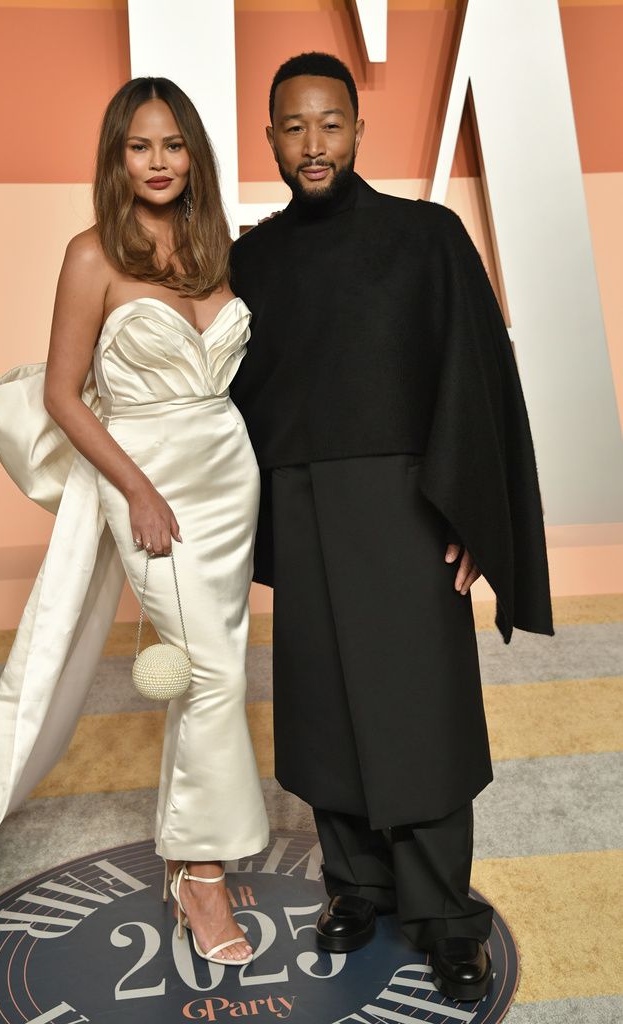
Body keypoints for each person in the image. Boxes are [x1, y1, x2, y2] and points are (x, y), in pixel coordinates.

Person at [229, 52, 553, 1001]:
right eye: (293, 127)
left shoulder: (427, 236)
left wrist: (471, 514)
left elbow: (476, 376)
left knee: (420, 713)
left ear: (358, 130)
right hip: (300, 506)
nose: (313, 144)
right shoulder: (256, 258)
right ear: (271, 138)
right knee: (325, 707)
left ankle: (446, 917)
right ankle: (354, 885)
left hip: (408, 507)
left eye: (330, 124)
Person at [0, 77, 268, 966]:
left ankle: (189, 854)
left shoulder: (216, 246)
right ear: (116, 158)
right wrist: (137, 490)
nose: (158, 163)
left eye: (172, 145)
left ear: (192, 152)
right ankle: (202, 880)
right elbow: (60, 392)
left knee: (217, 667)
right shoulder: (92, 254)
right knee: (208, 677)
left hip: (229, 479)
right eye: (139, 147)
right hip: (147, 483)